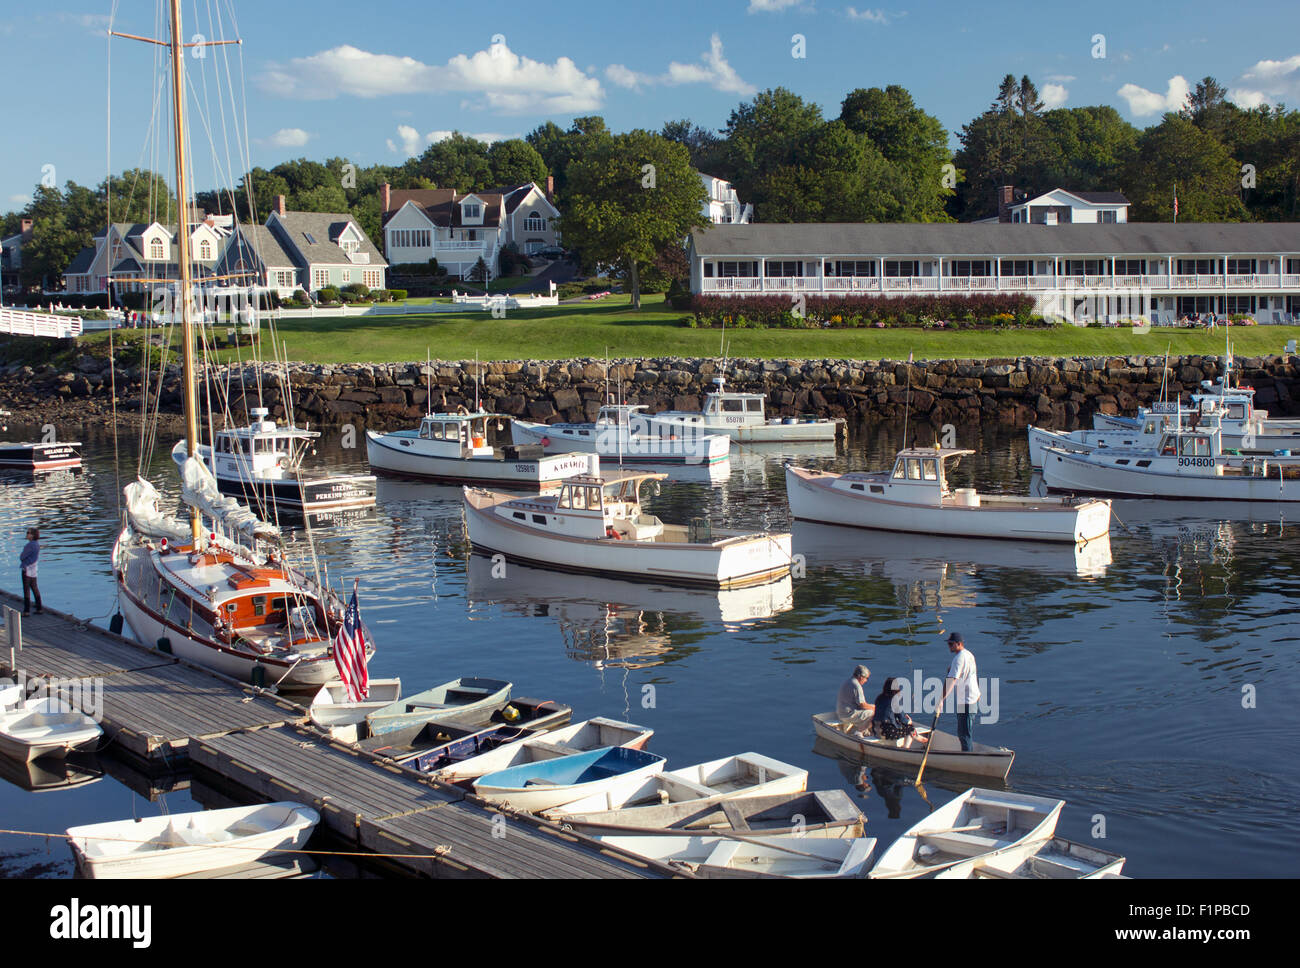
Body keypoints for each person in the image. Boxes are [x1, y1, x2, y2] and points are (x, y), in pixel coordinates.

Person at [941, 632, 981, 752]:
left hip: (966, 702)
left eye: (951, 644)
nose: (949, 646)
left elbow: (951, 681)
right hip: (974, 698)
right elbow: (967, 673)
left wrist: (940, 700)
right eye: (948, 644)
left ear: (959, 644)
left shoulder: (958, 659)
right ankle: (968, 753)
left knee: (964, 734)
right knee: (965, 732)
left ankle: (968, 758)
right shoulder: (969, 655)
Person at [871, 676, 927, 746]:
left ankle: (917, 736)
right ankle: (906, 748)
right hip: (887, 733)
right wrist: (909, 721)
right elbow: (902, 718)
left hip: (876, 731)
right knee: (910, 728)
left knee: (899, 724)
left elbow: (887, 712)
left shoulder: (879, 698)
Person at [836, 665, 873, 736]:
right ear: (861, 677)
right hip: (848, 715)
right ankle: (859, 733)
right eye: (866, 678)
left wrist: (872, 706)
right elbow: (863, 705)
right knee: (874, 714)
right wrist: (876, 708)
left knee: (871, 707)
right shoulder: (857, 686)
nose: (866, 681)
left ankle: (865, 730)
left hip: (841, 712)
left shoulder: (848, 681)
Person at [19, 528, 42, 615]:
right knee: (35, 588)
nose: (27, 534)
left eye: (28, 533)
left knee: (26, 589)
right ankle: (39, 608)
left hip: (27, 569)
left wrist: (22, 556)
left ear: (32, 535)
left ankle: (26, 610)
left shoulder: (29, 545)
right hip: (34, 570)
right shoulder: (37, 544)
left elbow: (22, 557)